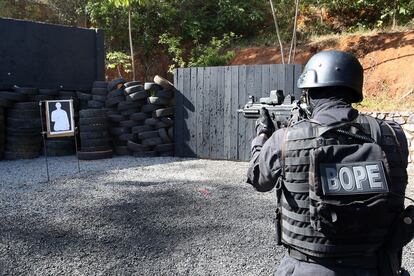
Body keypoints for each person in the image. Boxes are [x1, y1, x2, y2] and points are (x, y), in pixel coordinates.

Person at [247, 50, 412, 275]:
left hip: (308, 268)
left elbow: (258, 179)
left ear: (310, 94)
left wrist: (262, 135)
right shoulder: (393, 134)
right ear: (353, 90)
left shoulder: (285, 139)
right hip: (378, 266)